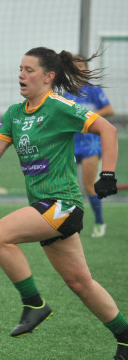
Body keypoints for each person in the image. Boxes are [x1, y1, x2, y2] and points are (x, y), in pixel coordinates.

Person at [0, 47, 126, 360]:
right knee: (80, 284)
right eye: (20, 68)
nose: (22, 74)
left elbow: (108, 129)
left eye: (30, 70)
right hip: (44, 207)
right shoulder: (14, 114)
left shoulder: (59, 107)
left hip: (63, 204)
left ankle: (34, 304)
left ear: (49, 77)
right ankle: (126, 337)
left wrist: (107, 174)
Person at [63, 57, 115, 238]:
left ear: (86, 69)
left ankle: (100, 222)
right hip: (71, 143)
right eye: (74, 67)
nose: (78, 69)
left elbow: (109, 110)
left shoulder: (93, 89)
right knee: (67, 186)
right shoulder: (66, 93)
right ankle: (66, 222)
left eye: (81, 66)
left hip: (91, 143)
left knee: (88, 185)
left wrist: (88, 116)